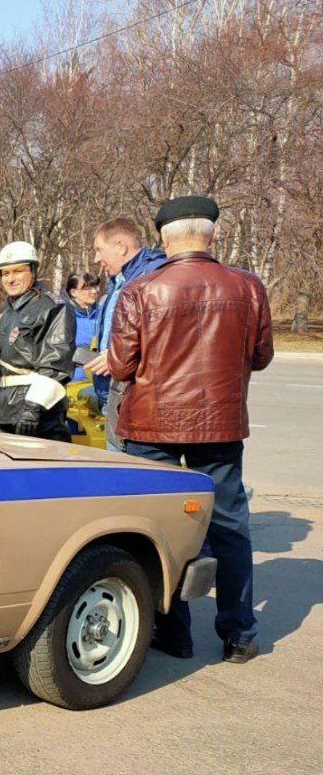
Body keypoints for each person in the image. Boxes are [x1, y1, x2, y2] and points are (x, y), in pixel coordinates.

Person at [108, 195, 273, 664]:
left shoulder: (141, 290)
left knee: (163, 527)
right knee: (230, 528)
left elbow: (121, 364)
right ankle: (239, 634)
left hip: (151, 426)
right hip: (220, 426)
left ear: (164, 238)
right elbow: (260, 357)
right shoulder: (248, 287)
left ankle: (174, 633)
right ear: (212, 234)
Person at [82, 217, 166, 448]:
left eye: (99, 250)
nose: (96, 259)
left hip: (137, 403)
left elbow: (162, 340)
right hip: (115, 396)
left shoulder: (152, 278)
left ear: (120, 246)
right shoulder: (118, 281)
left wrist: (118, 357)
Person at [0, 241, 75, 440]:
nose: (11, 279)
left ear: (33, 271)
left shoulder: (54, 308)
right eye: (5, 274)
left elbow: (56, 364)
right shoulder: (4, 315)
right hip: (1, 413)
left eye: (18, 271)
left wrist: (33, 407)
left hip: (41, 417)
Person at [62, 271, 102, 381]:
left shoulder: (103, 314)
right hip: (73, 380)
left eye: (94, 287)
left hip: (101, 380)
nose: (94, 291)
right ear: (74, 292)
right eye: (87, 288)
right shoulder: (63, 316)